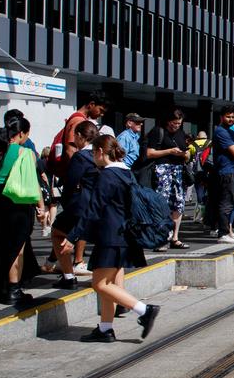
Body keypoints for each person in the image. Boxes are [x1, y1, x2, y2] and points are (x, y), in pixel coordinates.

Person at [62, 134, 160, 342]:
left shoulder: (107, 176)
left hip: (110, 235)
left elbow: (93, 209)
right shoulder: (127, 173)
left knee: (100, 284)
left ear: (99, 152)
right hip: (124, 235)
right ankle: (105, 329)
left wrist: (72, 236)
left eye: (93, 154)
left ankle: (145, 310)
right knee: (107, 283)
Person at [0, 117, 47, 306]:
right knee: (17, 246)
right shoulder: (25, 152)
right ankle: (14, 289)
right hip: (16, 200)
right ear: (21, 134)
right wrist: (41, 207)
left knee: (0, 245)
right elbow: (32, 182)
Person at [47, 120, 99, 288]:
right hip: (102, 205)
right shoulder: (102, 155)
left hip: (81, 204)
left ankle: (68, 276)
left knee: (57, 233)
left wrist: (67, 203)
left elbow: (70, 182)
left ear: (79, 136)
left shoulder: (81, 157)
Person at [144, 109, 191, 250]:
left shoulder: (181, 133)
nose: (176, 126)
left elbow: (186, 149)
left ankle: (175, 237)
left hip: (178, 171)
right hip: (162, 170)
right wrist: (170, 151)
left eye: (179, 123)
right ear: (167, 121)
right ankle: (161, 238)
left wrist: (186, 154)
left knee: (179, 203)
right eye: (174, 123)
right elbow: (149, 153)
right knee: (162, 203)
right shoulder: (158, 131)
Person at [209, 107, 234, 243]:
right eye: (228, 117)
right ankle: (223, 233)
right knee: (226, 203)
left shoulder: (230, 131)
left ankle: (228, 231)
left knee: (231, 203)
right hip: (226, 172)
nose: (231, 119)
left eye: (233, 117)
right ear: (221, 117)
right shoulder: (221, 131)